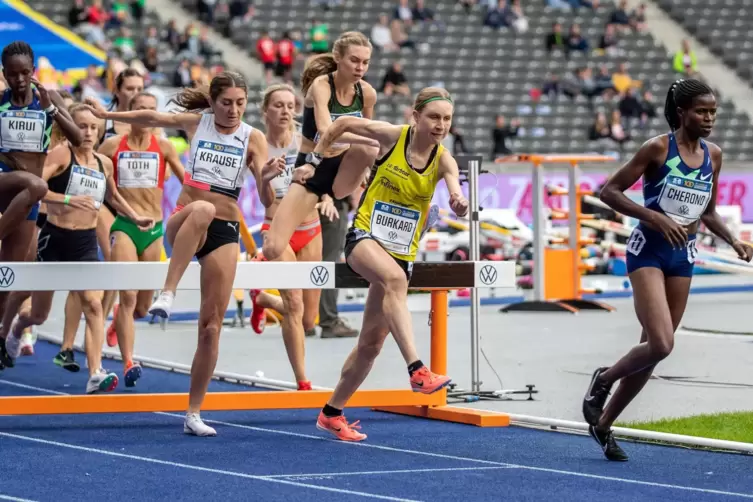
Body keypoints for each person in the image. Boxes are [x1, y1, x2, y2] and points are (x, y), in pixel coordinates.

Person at [84, 71, 267, 436]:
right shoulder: (196, 124)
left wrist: (268, 177)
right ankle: (168, 291)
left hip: (225, 231)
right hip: (183, 220)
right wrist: (108, 118)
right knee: (203, 210)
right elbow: (150, 118)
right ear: (213, 103)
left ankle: (193, 412)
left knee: (211, 326)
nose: (233, 110)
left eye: (240, 104)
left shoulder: (253, 137)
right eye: (226, 103)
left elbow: (265, 197)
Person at [582, 79, 753, 461]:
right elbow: (608, 191)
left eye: (712, 112)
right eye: (701, 111)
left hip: (684, 257)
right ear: (681, 112)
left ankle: (604, 424)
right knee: (661, 343)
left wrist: (734, 240)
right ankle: (603, 379)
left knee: (653, 351)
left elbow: (707, 211)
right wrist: (654, 218)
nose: (708, 118)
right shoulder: (659, 147)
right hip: (648, 252)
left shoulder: (715, 155)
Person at [305, 87, 469, 441]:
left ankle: (331, 413)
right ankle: (417, 369)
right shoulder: (394, 136)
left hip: (400, 252)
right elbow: (345, 121)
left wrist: (457, 199)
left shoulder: (444, 160)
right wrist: (315, 158)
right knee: (395, 279)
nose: (441, 125)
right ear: (416, 116)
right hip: (364, 240)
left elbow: (455, 185)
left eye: (447, 119)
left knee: (370, 346)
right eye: (434, 117)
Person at [0, 104, 154, 393]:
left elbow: (113, 196)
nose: (88, 132)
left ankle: (95, 372)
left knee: (94, 304)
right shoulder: (61, 153)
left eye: (94, 127)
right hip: (55, 238)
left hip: (83, 243)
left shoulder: (102, 163)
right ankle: (16, 330)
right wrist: (68, 200)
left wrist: (134, 217)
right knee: (38, 314)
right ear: (72, 127)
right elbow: (37, 187)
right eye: (82, 126)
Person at [262, 31, 380, 263]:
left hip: (344, 167)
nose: (360, 68)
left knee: (372, 148)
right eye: (354, 60)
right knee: (273, 249)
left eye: (365, 62)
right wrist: (365, 138)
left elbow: (368, 130)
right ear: (338, 57)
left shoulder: (367, 93)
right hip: (312, 166)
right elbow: (327, 132)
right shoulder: (321, 85)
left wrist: (366, 167)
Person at [0, 41, 82, 369]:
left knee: (8, 275)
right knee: (37, 184)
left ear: (33, 71)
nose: (19, 79)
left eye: (25, 72)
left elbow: (77, 138)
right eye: (12, 74)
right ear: (4, 74)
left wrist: (51, 109)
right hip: (5, 182)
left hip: (27, 201)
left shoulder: (48, 99)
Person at [96, 91, 185, 387]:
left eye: (151, 110)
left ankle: (119, 323)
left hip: (155, 230)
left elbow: (187, 182)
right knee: (128, 294)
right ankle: (128, 361)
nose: (146, 115)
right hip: (124, 225)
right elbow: (92, 171)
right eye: (140, 109)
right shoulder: (112, 145)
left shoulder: (164, 146)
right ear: (130, 113)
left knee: (142, 308)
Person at [247, 83, 331, 391]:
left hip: (310, 230)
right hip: (277, 231)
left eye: (290, 105)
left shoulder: (305, 143)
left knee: (310, 320)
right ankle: (302, 381)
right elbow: (266, 200)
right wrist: (266, 177)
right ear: (265, 111)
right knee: (294, 306)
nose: (285, 111)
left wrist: (328, 198)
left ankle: (264, 299)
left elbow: (324, 181)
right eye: (278, 105)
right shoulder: (257, 147)